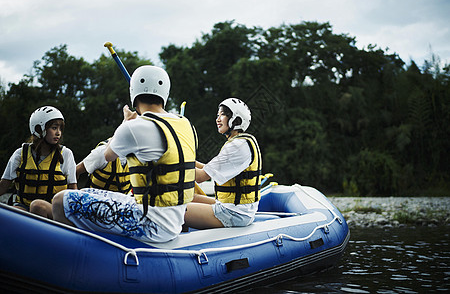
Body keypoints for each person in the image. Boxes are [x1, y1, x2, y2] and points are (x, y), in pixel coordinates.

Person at [52, 65, 197, 243]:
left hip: (150, 223)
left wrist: (126, 122)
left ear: (134, 93)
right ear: (164, 94)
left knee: (60, 200)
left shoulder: (133, 126)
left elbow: (107, 155)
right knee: (88, 191)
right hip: (174, 219)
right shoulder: (186, 124)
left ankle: (73, 257)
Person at [184, 98, 262, 229]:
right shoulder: (241, 142)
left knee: (173, 210)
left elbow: (200, 176)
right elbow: (208, 169)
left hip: (234, 213)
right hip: (235, 208)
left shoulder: (237, 146)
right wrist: (186, 159)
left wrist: (170, 161)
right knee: (191, 197)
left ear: (236, 120)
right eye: (217, 115)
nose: (218, 119)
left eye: (223, 114)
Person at [0, 106, 77, 218]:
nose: (58, 133)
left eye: (60, 129)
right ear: (38, 129)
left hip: (53, 210)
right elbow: (3, 186)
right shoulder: (20, 154)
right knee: (11, 213)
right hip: (23, 207)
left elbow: (73, 190)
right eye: (54, 128)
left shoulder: (66, 154)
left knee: (37, 206)